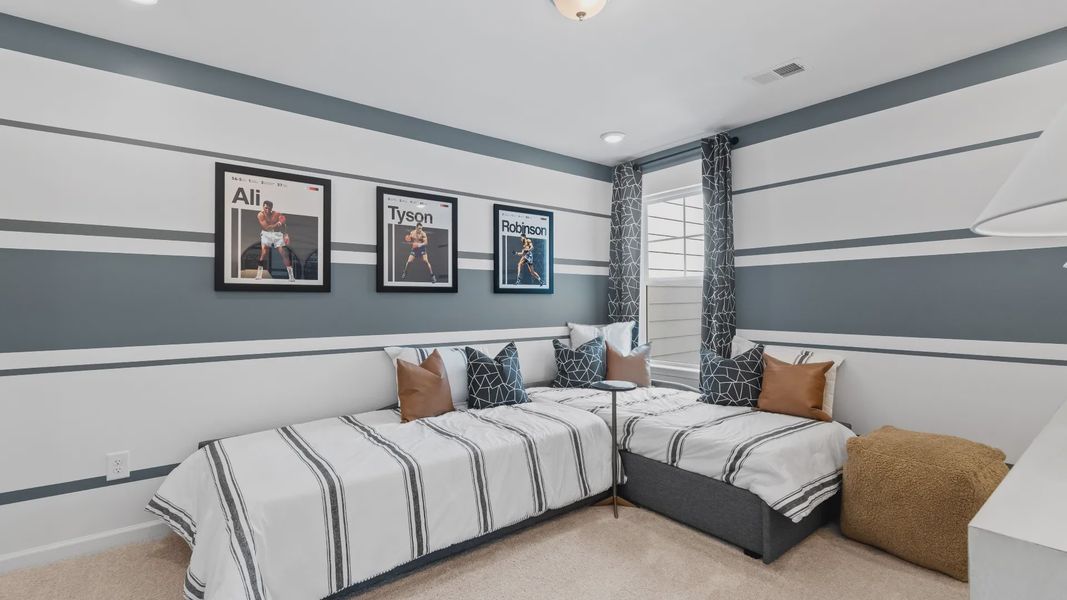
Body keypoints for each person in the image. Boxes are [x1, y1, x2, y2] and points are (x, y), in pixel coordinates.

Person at [255, 200, 295, 282]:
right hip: (266, 234)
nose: (267, 210)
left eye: (268, 208)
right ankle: (259, 274)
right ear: (263, 207)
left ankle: (291, 276)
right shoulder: (260, 215)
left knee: (284, 253)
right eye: (265, 208)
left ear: (271, 208)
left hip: (277, 234)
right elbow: (267, 227)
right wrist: (278, 223)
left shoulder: (277, 214)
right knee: (264, 252)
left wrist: (286, 234)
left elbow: (284, 222)